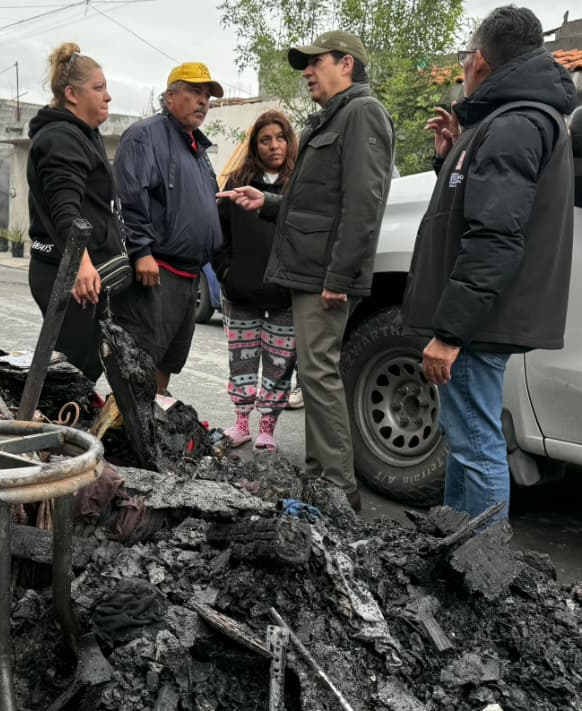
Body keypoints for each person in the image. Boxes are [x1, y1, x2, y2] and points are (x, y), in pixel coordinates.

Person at [401, 5, 577, 520]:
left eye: (464, 58)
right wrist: (449, 157)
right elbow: (477, 208)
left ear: (479, 59)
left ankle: (482, 558)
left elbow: (495, 237)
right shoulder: (512, 120)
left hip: (481, 321)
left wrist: (451, 333)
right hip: (484, 316)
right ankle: (457, 544)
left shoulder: (516, 124)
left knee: (476, 442)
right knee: (466, 437)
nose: (462, 70)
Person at [221, 31, 394, 511]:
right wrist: (267, 201)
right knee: (315, 376)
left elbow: (363, 204)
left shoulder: (362, 113)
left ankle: (338, 488)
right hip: (313, 272)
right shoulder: (337, 116)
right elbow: (318, 204)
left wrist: (339, 277)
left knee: (319, 374)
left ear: (347, 64)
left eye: (316, 63)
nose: (308, 72)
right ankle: (321, 477)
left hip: (325, 276)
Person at [113, 63, 224, 394]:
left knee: (167, 362)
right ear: (170, 96)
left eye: (207, 96)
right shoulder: (145, 135)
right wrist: (141, 251)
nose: (203, 101)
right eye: (195, 92)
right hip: (158, 270)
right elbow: (130, 195)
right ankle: (130, 421)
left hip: (189, 276)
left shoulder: (196, 147)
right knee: (140, 362)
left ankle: (152, 416)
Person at [26, 42, 121, 383]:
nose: (108, 96)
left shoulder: (85, 134)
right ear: (71, 94)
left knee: (86, 367)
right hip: (64, 271)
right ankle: (50, 417)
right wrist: (80, 263)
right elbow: (66, 211)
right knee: (70, 373)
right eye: (98, 88)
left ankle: (67, 414)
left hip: (82, 270)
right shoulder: (62, 139)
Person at [214, 111, 298, 450]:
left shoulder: (298, 185)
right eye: (265, 140)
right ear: (254, 146)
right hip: (241, 293)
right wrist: (226, 272)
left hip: (284, 296)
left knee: (279, 365)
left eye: (280, 138)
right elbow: (218, 233)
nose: (274, 145)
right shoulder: (237, 183)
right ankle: (241, 424)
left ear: (289, 142)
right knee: (242, 362)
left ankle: (267, 428)